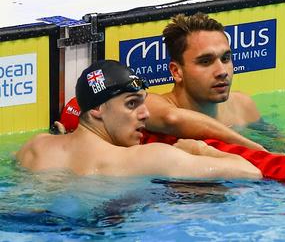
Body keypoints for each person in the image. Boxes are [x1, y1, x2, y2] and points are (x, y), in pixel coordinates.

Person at [16, 60, 261, 179]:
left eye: (143, 102)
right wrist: (202, 149)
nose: (145, 113)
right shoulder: (149, 158)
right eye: (131, 104)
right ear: (97, 110)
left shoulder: (35, 147)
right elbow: (250, 172)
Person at [144, 13, 265, 150]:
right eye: (206, 61)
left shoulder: (243, 106)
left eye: (225, 59)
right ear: (176, 71)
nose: (222, 71)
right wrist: (252, 148)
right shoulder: (149, 104)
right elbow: (172, 119)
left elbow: (284, 149)